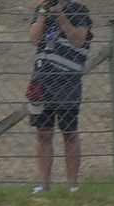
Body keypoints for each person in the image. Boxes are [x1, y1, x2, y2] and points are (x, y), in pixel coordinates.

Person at [27, 0, 90, 193]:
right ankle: (44, 185)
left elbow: (78, 39)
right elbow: (35, 39)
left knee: (69, 133)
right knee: (42, 132)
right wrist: (43, 14)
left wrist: (60, 16)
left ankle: (72, 184)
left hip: (67, 81)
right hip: (42, 80)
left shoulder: (79, 10)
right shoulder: (41, 9)